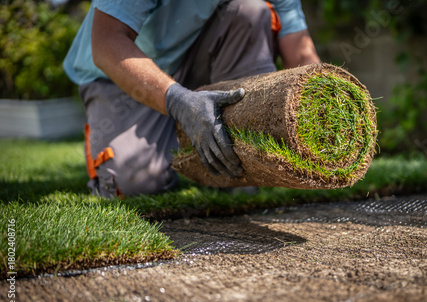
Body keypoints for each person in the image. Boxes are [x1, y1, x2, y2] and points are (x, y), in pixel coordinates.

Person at [63, 0, 320, 198]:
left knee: (252, 9)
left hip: (194, 59)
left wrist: (323, 111)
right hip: (123, 75)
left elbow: (299, 49)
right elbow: (107, 41)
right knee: (135, 184)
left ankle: (239, 166)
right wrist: (178, 101)